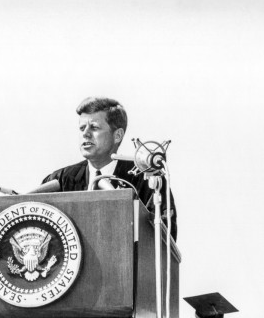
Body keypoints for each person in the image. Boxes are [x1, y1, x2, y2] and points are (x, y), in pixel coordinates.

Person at [31, 96, 178, 239]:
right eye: (82, 128)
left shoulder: (146, 179)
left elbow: (164, 237)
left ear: (117, 136)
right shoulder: (61, 180)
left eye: (94, 127)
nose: (85, 134)